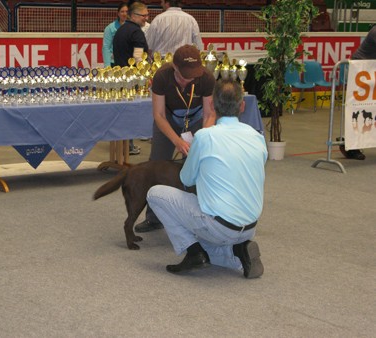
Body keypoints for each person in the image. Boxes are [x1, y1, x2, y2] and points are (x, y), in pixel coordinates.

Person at [146, 78, 268, 277]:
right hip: (250, 226)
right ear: (243, 106)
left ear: (211, 105)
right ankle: (237, 251)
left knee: (155, 194)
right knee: (210, 245)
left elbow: (186, 180)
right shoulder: (257, 136)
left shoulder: (205, 137)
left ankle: (194, 253)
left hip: (219, 226)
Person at [134, 44, 216, 232]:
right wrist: (176, 141)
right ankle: (154, 218)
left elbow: (209, 114)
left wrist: (203, 137)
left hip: (195, 121)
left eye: (192, 76)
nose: (188, 80)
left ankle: (195, 217)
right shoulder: (162, 76)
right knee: (157, 165)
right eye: (184, 75)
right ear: (175, 67)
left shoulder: (206, 78)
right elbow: (159, 115)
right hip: (168, 121)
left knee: (195, 167)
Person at [113, 1, 149, 155]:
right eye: (143, 16)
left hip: (120, 77)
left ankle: (122, 145)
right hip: (133, 79)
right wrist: (145, 75)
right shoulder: (137, 33)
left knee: (121, 113)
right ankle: (129, 146)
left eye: (147, 15)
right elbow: (138, 58)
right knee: (131, 113)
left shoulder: (121, 30)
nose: (146, 19)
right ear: (134, 16)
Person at [339, 25, 376, 160]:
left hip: (372, 73)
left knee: (371, 109)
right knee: (358, 109)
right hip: (361, 72)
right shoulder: (375, 31)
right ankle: (350, 145)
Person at [102, 2, 129, 68]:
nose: (125, 14)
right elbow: (106, 47)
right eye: (122, 11)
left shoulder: (133, 28)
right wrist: (107, 66)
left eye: (127, 11)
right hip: (114, 63)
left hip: (129, 63)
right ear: (118, 13)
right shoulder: (110, 28)